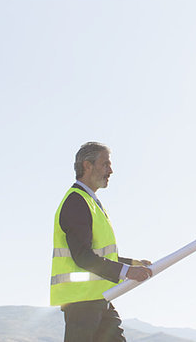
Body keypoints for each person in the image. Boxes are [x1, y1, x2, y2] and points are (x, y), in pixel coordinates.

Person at [50, 142, 153, 341]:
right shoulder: (76, 202)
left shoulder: (90, 202)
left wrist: (132, 263)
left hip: (98, 299)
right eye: (105, 164)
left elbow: (100, 254)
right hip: (82, 303)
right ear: (87, 166)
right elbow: (83, 257)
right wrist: (127, 272)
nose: (111, 170)